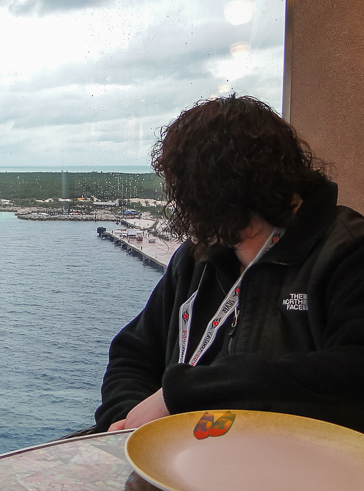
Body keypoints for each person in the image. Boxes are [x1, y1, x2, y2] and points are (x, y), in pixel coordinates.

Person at [94, 95, 364, 433]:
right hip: (191, 465)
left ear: (227, 190)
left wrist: (183, 392)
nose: (181, 206)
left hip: (304, 473)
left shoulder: (348, 251)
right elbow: (133, 354)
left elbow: (351, 369)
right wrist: (127, 424)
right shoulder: (196, 258)